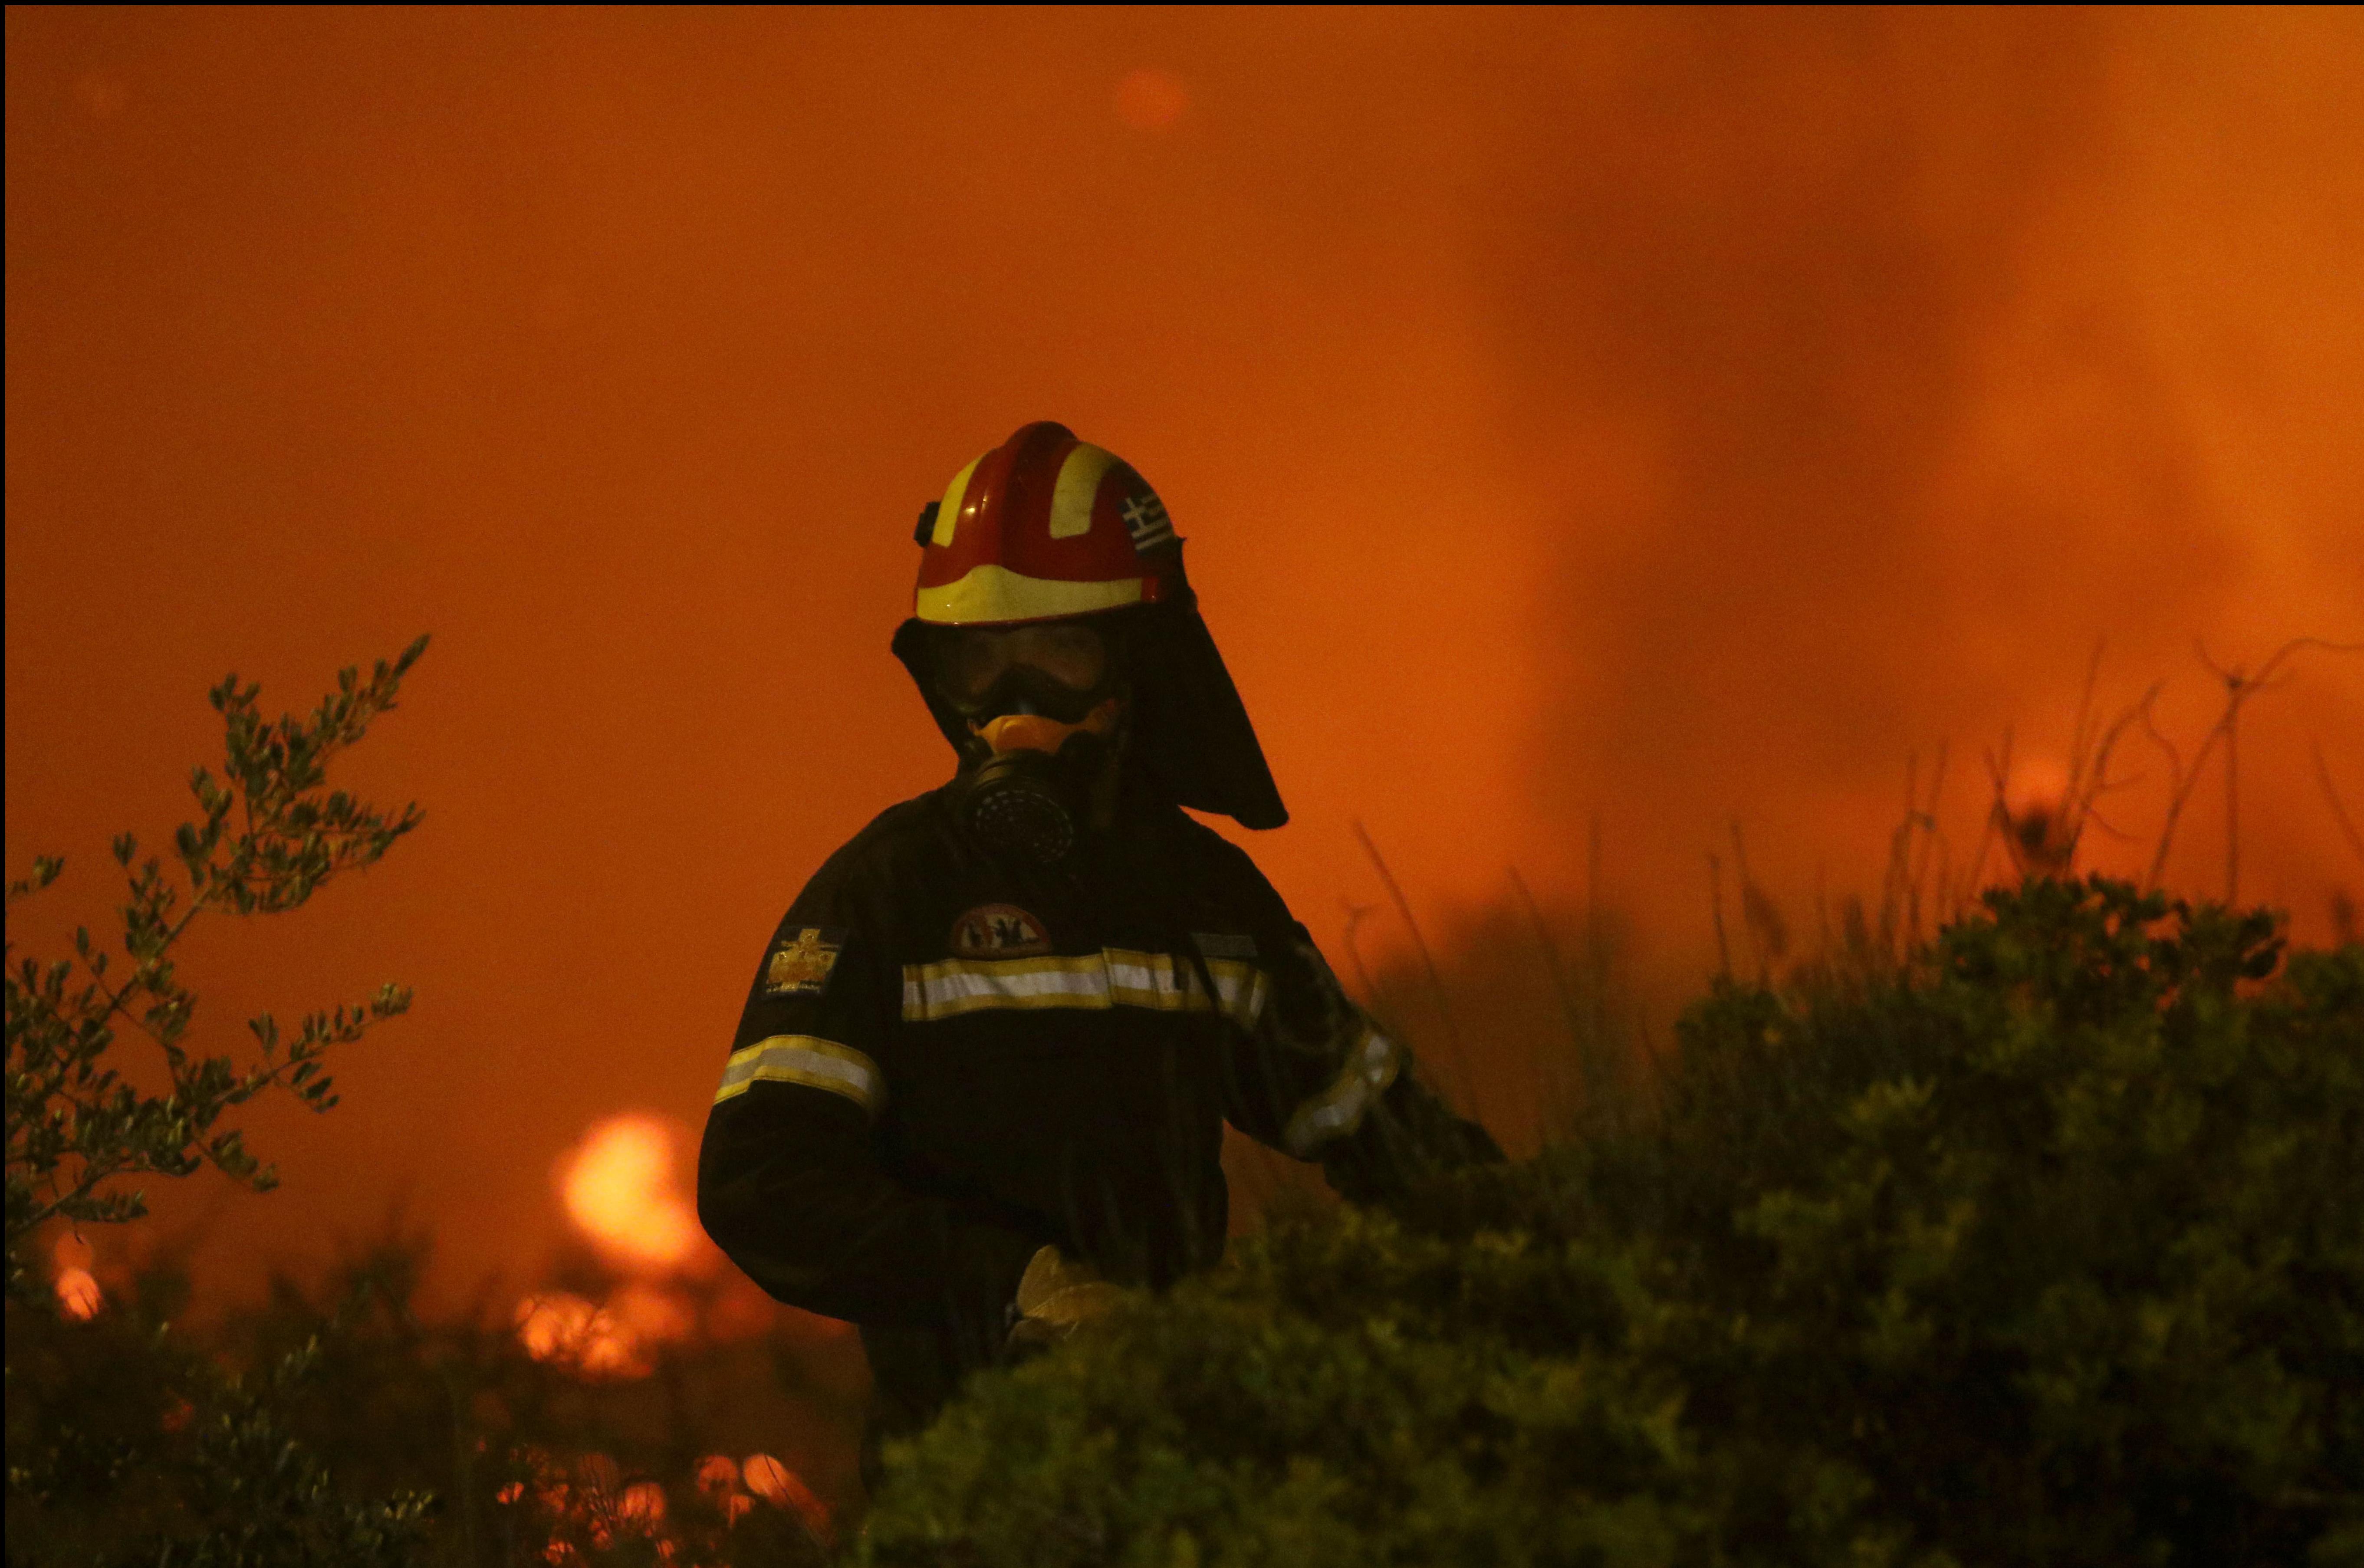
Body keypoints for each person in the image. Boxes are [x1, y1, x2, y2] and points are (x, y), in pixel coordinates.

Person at [696, 420, 1500, 1478]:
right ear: (941, 677)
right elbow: (759, 1176)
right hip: (959, 1491)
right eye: (980, 662)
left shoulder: (1204, 900)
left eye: (1059, 653)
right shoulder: (888, 894)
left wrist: (1551, 1259)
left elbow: (1393, 1144)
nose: (1013, 704)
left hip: (1175, 1479)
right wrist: (1012, 1282)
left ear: (1135, 666)